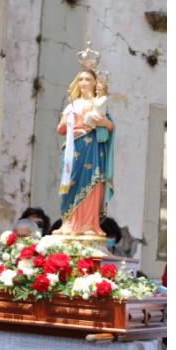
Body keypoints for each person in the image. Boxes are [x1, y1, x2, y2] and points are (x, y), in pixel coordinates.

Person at [56, 43, 115, 236]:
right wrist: (74, 122)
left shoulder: (100, 103)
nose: (83, 83)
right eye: (80, 79)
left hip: (94, 150)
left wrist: (102, 121)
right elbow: (61, 129)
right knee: (72, 182)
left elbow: (110, 127)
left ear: (94, 82)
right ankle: (69, 223)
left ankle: (90, 225)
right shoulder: (73, 104)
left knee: (93, 181)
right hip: (75, 148)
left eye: (87, 79)